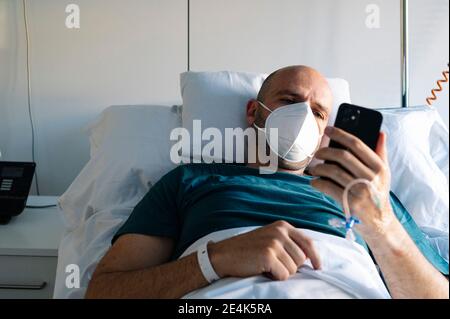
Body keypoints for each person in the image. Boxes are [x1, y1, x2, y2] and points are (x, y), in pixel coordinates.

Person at [85, 66, 449, 299]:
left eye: (318, 112)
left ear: (325, 131)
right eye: (290, 100)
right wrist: (216, 260)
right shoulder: (190, 180)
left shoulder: (367, 194)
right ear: (253, 112)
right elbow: (104, 292)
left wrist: (381, 226)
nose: (303, 115)